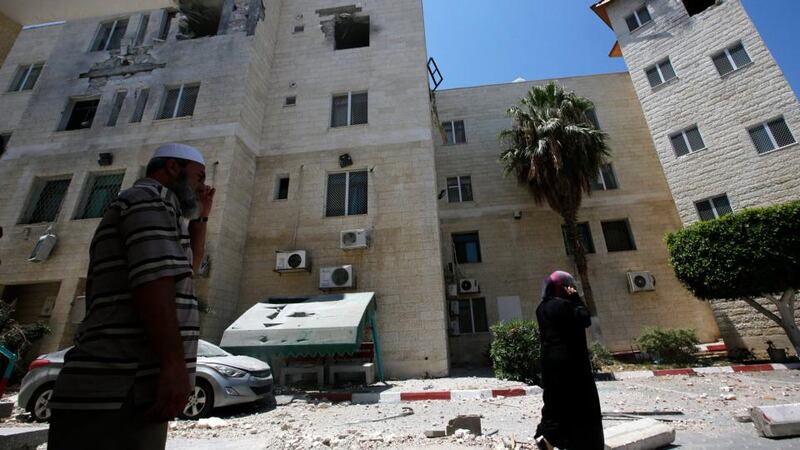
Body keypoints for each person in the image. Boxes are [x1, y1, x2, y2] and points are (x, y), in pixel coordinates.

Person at [47, 143, 215, 450]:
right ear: (173, 168)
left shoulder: (165, 210)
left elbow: (185, 271)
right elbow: (154, 283)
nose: (203, 186)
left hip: (132, 390)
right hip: (114, 389)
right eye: (199, 176)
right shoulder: (147, 200)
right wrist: (174, 367)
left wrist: (200, 219)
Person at [534, 271, 604, 450]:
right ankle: (580, 443)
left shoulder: (541, 307)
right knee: (579, 402)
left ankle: (547, 436)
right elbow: (585, 318)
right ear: (564, 287)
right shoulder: (566, 305)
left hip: (549, 362)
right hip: (571, 362)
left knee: (553, 401)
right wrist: (577, 299)